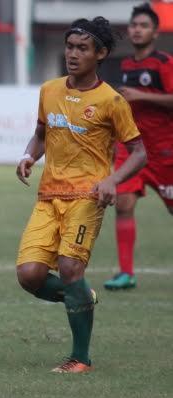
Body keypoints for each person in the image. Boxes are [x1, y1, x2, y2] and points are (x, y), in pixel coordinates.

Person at [15, 17, 147, 373]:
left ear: (100, 53)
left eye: (82, 49)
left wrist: (112, 180)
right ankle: (83, 297)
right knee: (29, 276)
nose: (72, 54)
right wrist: (29, 155)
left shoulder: (112, 101)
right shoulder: (50, 89)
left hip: (88, 197)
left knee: (72, 268)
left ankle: (80, 358)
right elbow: (42, 133)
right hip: (48, 196)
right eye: (69, 47)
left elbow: (138, 152)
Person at [105, 3, 173, 291]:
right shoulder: (125, 65)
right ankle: (126, 273)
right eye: (134, 25)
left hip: (164, 150)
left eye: (143, 26)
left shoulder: (164, 63)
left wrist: (141, 95)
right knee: (123, 204)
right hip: (132, 148)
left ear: (155, 32)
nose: (137, 30)